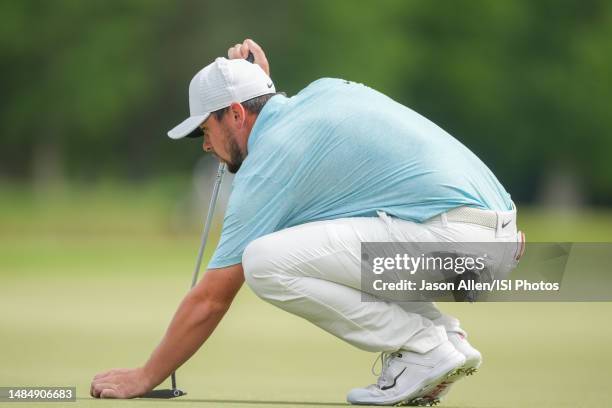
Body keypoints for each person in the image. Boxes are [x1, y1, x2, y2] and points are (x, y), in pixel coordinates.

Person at [90, 39, 521, 406]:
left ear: (237, 114)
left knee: (262, 261)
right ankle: (446, 340)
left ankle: (426, 347)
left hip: (455, 243)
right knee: (321, 239)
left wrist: (145, 376)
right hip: (493, 239)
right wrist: (260, 81)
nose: (205, 146)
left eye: (205, 129)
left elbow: (211, 299)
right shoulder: (323, 94)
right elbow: (280, 117)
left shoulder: (272, 160)